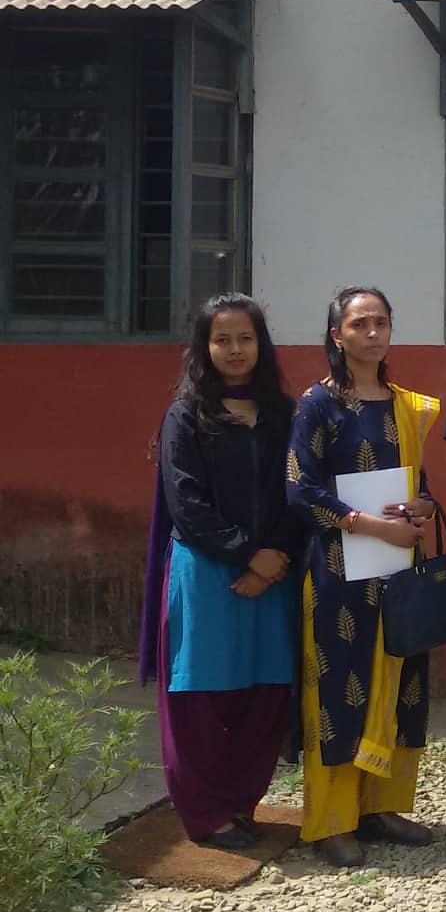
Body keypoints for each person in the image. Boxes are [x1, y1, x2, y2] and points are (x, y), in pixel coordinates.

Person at [140, 294, 304, 849]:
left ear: (261, 344)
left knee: (265, 692)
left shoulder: (285, 413)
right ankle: (207, 812)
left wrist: (275, 554)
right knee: (202, 697)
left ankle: (242, 800)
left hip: (273, 575)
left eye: (245, 338)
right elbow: (186, 503)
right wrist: (245, 554)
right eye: (222, 339)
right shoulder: (186, 415)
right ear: (204, 347)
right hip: (206, 571)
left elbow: (298, 494)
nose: (235, 349)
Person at [286, 287, 440, 868]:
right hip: (338, 571)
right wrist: (368, 525)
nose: (373, 333)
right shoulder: (317, 405)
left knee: (402, 684)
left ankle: (382, 807)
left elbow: (416, 483)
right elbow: (300, 490)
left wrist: (422, 507)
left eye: (381, 323)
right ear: (337, 336)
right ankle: (333, 821)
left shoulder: (405, 405)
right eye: (359, 324)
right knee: (338, 689)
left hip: (398, 566)